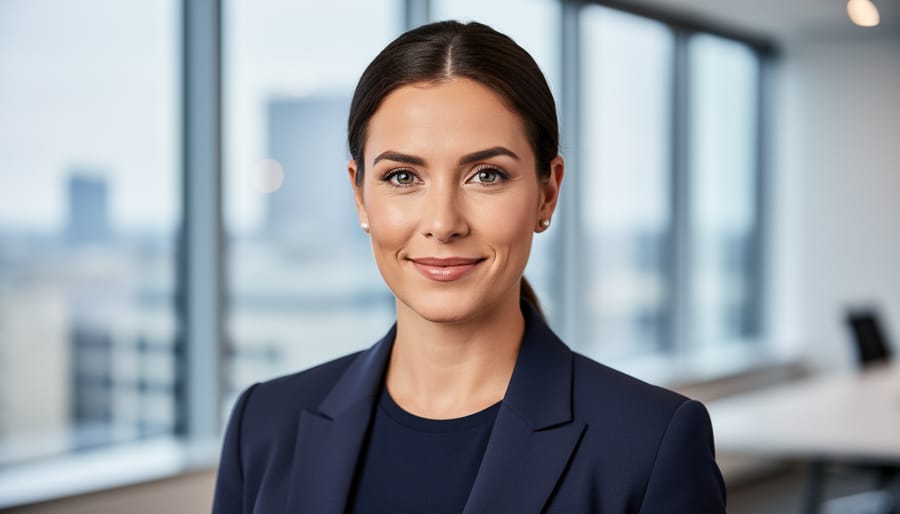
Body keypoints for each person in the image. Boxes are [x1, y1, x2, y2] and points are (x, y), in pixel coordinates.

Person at [212, 20, 726, 514]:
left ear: (547, 193)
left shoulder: (649, 444)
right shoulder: (264, 424)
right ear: (360, 195)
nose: (443, 222)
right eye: (401, 177)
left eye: (486, 174)